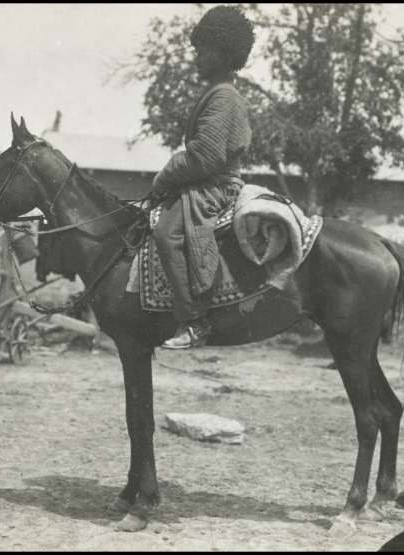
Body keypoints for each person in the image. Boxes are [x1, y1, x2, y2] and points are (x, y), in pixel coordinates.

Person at [151, 6, 255, 349]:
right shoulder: (218, 92)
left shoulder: (223, 97)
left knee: (168, 233)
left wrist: (164, 177)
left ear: (222, 55)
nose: (196, 59)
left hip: (216, 186)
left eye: (202, 52)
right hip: (209, 181)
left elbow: (205, 158)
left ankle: (194, 321)